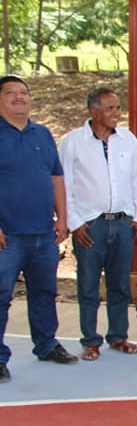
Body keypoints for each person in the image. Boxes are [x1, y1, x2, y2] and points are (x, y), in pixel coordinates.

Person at [60, 87, 137, 361]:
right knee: (88, 285)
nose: (116, 114)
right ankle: (90, 340)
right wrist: (75, 223)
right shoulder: (73, 142)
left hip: (123, 224)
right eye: (110, 108)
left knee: (120, 285)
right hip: (90, 226)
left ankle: (118, 336)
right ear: (93, 111)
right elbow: (64, 186)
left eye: (118, 108)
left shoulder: (127, 140)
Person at [0, 75, 76, 381]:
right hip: (7, 236)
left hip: (43, 234)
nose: (20, 97)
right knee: (1, 296)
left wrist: (62, 218)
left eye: (24, 93)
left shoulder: (42, 134)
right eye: (11, 93)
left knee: (45, 292)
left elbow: (56, 177)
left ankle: (46, 344)